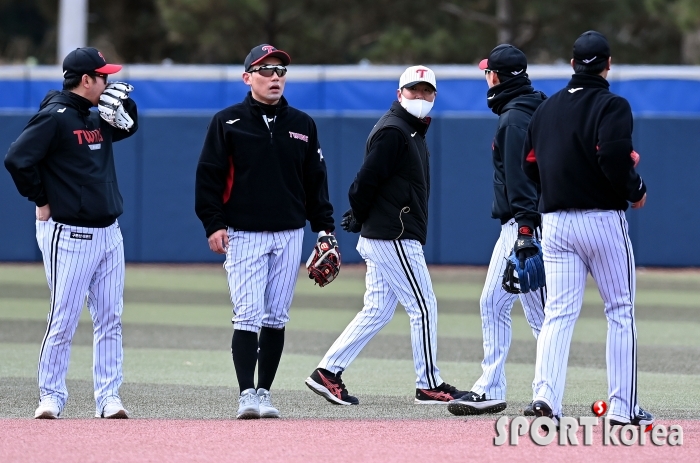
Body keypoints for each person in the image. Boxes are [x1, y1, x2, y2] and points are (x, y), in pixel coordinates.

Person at [305, 66, 467, 405]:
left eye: (427, 92)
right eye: (414, 91)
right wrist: (361, 214)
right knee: (423, 307)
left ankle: (327, 372)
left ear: (434, 96)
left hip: (386, 232)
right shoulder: (395, 131)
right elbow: (363, 183)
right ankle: (429, 383)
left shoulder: (409, 130)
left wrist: (361, 217)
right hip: (393, 234)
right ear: (399, 94)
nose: (420, 97)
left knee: (377, 309)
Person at [194, 44, 336, 419]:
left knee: (276, 317)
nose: (275, 78)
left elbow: (315, 182)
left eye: (280, 72)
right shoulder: (227, 121)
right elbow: (207, 177)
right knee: (247, 315)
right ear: (247, 77)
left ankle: (265, 393)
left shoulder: (303, 124)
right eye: (266, 71)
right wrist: (214, 223)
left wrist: (324, 230)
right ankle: (246, 395)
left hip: (290, 233)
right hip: (243, 233)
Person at [522, 31, 653, 426]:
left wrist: (557, 184)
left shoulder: (547, 109)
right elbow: (613, 155)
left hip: (556, 223)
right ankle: (621, 408)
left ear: (572, 63)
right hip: (602, 221)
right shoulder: (612, 104)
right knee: (620, 312)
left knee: (558, 314)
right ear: (608, 64)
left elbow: (529, 164)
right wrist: (636, 188)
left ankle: (545, 397)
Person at [4, 47, 138, 419]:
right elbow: (17, 159)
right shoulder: (55, 117)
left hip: (110, 231)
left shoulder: (96, 115)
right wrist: (41, 198)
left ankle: (109, 398)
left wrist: (128, 109)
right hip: (71, 232)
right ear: (86, 80)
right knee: (63, 317)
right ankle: (51, 395)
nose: (108, 82)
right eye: (103, 77)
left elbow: (128, 127)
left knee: (110, 318)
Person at [447, 45, 547, 416]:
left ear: (497, 78)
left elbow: (521, 179)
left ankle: (545, 394)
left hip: (525, 225)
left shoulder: (514, 119)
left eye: (488, 72)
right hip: (533, 222)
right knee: (496, 303)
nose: (486, 78)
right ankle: (493, 386)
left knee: (540, 318)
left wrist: (524, 232)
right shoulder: (537, 105)